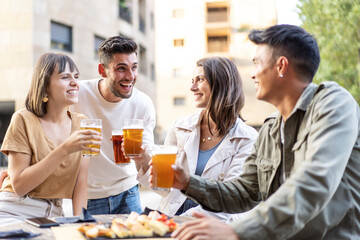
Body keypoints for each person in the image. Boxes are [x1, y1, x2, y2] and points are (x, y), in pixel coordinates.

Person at [163, 24, 360, 239]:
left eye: (256, 63)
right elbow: (245, 192)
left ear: (281, 66)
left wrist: (236, 231)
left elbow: (314, 183)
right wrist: (187, 183)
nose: (253, 74)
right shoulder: (270, 128)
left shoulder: (333, 104)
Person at [142, 57, 258, 222]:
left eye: (200, 80)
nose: (192, 87)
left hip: (212, 222)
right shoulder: (179, 127)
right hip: (170, 218)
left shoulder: (247, 138)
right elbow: (164, 188)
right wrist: (142, 161)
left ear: (220, 83)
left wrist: (180, 221)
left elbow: (232, 199)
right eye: (192, 80)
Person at [0, 52, 102, 225]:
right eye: (65, 77)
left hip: (53, 213)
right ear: (45, 85)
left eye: (76, 77)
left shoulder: (82, 123)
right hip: (15, 210)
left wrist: (80, 222)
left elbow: (80, 181)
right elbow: (19, 186)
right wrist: (65, 149)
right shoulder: (23, 119)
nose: (74, 83)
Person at [71, 36, 156, 215]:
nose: (130, 76)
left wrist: (142, 154)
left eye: (134, 67)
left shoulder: (143, 103)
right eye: (121, 69)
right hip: (88, 195)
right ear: (102, 70)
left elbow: (150, 160)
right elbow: (45, 125)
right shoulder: (77, 94)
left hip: (128, 192)